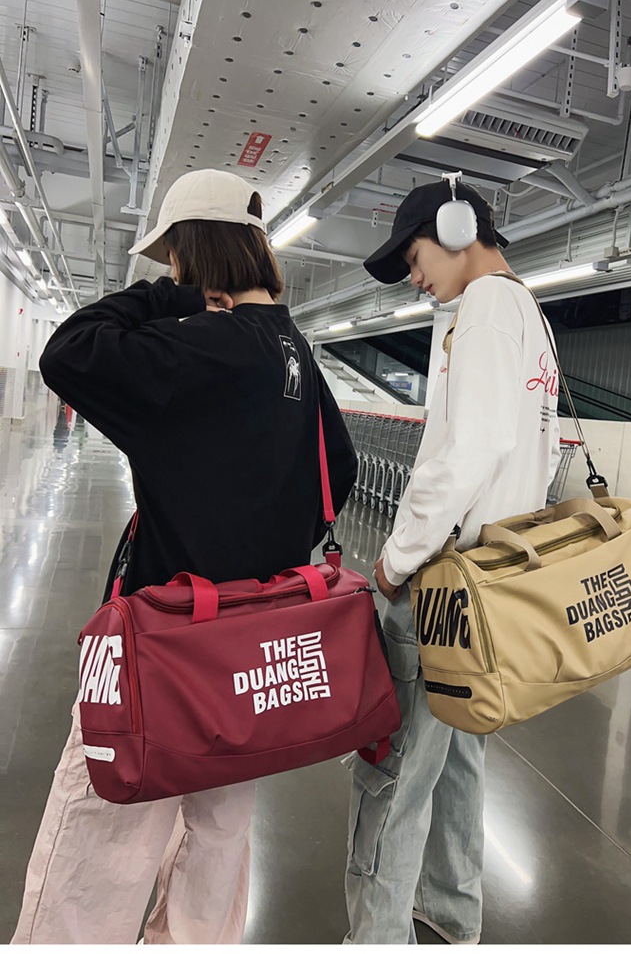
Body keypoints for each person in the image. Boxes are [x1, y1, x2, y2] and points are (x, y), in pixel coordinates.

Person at [12, 169, 357, 945]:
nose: (168, 270)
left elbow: (69, 351)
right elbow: (340, 467)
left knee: (100, 828)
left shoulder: (202, 345)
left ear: (194, 253)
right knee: (218, 837)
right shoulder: (294, 352)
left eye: (173, 257)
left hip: (163, 638)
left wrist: (169, 297)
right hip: (251, 652)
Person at [343, 177, 561, 944]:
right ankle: (449, 913)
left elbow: (469, 448)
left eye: (414, 257)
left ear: (459, 226)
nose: (414, 276)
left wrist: (397, 558)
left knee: (392, 768)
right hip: (494, 583)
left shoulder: (486, 310)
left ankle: (376, 935)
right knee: (461, 756)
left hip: (443, 579)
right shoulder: (530, 312)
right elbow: (529, 452)